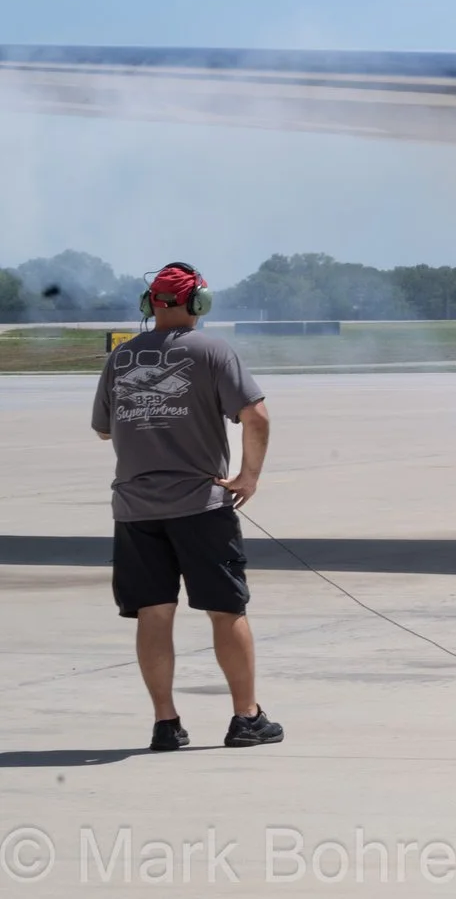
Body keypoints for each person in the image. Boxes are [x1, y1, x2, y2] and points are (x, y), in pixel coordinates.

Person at [91, 262, 283, 751]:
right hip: (200, 505)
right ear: (199, 304)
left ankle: (165, 723)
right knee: (225, 608)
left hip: (135, 509)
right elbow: (255, 416)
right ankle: (246, 718)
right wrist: (249, 476)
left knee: (154, 613)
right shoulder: (213, 351)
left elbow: (103, 428)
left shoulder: (121, 357)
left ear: (148, 304)